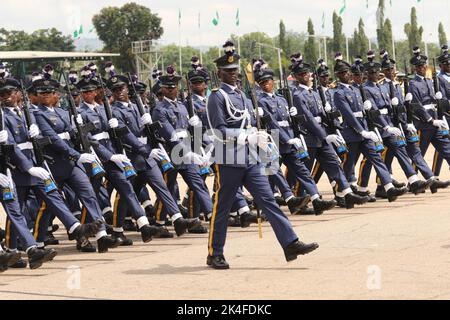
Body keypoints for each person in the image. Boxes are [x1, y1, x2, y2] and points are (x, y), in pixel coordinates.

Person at [206, 41, 319, 269]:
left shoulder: (244, 96)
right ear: (219, 73)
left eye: (235, 70)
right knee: (223, 207)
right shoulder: (217, 97)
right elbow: (218, 130)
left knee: (268, 200)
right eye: (228, 71)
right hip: (229, 160)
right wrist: (247, 136)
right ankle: (214, 253)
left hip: (250, 159)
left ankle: (290, 243)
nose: (233, 74)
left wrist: (259, 136)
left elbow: (249, 124)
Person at [332, 55, 408, 202]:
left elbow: (367, 111)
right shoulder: (338, 93)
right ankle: (341, 193)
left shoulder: (357, 89)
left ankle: (388, 188)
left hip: (365, 132)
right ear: (338, 76)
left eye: (347, 72)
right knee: (349, 165)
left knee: (376, 158)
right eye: (341, 73)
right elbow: (348, 115)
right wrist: (362, 131)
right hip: (351, 133)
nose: (345, 75)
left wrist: (374, 127)